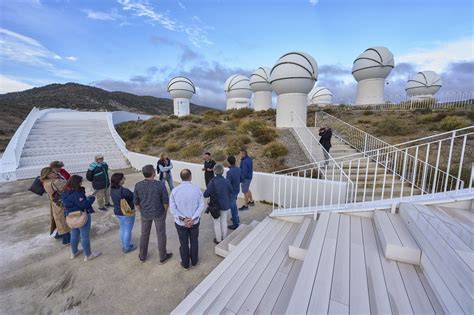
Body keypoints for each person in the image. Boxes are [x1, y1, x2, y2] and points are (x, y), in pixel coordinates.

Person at [134, 165, 172, 264]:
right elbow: (165, 201)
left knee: (144, 235)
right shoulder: (160, 185)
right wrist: (165, 212)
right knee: (161, 235)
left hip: (145, 214)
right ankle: (162, 257)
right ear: (153, 173)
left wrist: (141, 211)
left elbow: (136, 202)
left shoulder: (138, 185)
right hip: (159, 213)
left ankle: (142, 256)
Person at [169, 169, 204, 270]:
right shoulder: (197, 189)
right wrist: (192, 219)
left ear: (181, 177)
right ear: (190, 176)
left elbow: (173, 208)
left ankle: (185, 264)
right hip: (195, 222)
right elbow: (201, 205)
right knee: (194, 241)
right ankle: (194, 261)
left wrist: (184, 219)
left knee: (183, 243)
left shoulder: (174, 191)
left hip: (180, 223)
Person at [62, 175, 101, 262]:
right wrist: (91, 198)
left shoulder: (64, 191)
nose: (81, 183)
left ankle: (74, 252)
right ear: (77, 183)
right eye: (80, 182)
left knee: (74, 234)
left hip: (71, 216)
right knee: (84, 236)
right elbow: (84, 204)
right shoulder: (76, 193)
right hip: (81, 215)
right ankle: (88, 255)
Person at [203, 164, 233, 244]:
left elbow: (205, 194)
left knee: (216, 222)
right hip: (225, 204)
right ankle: (225, 238)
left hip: (215, 206)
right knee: (224, 221)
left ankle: (218, 240)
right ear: (222, 171)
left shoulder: (212, 181)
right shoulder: (227, 181)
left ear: (214, 171)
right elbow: (231, 191)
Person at [40, 167, 70, 245]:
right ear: (48, 175)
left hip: (55, 203)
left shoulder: (45, 182)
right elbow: (68, 185)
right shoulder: (56, 182)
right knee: (63, 221)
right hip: (61, 203)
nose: (55, 173)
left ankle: (58, 235)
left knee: (59, 220)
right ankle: (66, 240)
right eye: (53, 172)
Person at [110, 173, 136, 253]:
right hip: (126, 213)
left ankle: (124, 245)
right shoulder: (124, 191)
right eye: (123, 178)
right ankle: (127, 247)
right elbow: (133, 196)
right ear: (120, 181)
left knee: (122, 228)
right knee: (128, 230)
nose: (124, 179)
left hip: (118, 212)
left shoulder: (112, 190)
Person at [226, 156, 241, 230]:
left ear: (228, 162)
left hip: (231, 192)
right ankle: (236, 218)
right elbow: (241, 179)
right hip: (237, 190)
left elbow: (228, 184)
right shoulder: (239, 169)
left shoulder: (229, 172)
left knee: (233, 207)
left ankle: (235, 223)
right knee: (234, 205)